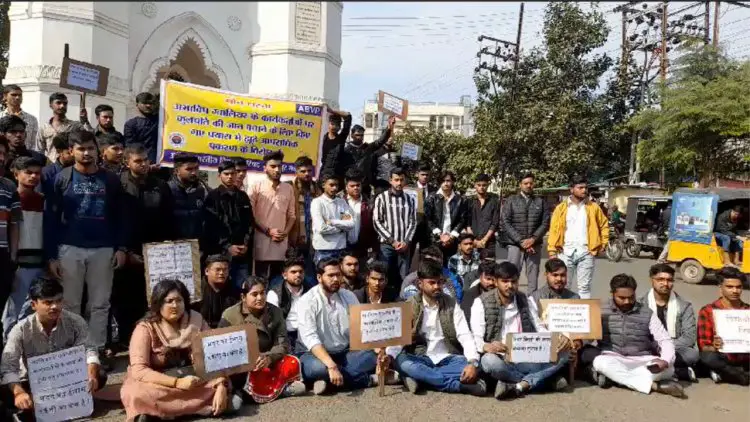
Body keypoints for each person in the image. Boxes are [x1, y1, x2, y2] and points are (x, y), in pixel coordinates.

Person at [44, 129, 127, 361]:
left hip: (103, 248)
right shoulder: (61, 178)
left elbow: (121, 217)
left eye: (91, 148)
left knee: (100, 304)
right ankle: (71, 353)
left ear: (97, 149)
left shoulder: (110, 180)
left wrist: (121, 248)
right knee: (70, 304)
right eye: (81, 148)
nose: (87, 152)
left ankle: (95, 353)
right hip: (70, 248)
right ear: (71, 151)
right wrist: (52, 256)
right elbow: (50, 219)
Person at [120, 279, 241, 421]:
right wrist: (177, 383)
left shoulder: (197, 320)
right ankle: (197, 408)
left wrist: (221, 385)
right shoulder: (145, 328)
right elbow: (139, 370)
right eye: (169, 301)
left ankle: (159, 413)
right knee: (136, 393)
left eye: (179, 300)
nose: (175, 305)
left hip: (194, 380)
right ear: (158, 303)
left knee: (227, 393)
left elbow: (215, 358)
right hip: (159, 382)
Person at [0, 278, 107, 422]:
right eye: (48, 302)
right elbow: (8, 366)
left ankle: (76, 400)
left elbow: (89, 350)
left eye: (59, 300)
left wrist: (91, 375)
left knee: (100, 375)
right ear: (33, 305)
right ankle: (28, 404)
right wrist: (19, 393)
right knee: (5, 391)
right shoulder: (20, 329)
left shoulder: (75, 321)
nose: (55, 306)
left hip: (68, 380)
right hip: (32, 382)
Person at [470, 261, 571, 399]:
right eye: (505, 281)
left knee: (566, 352)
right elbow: (476, 337)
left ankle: (517, 385)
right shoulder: (481, 302)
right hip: (501, 357)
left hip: (526, 354)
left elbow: (539, 327)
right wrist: (487, 346)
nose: (510, 286)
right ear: (496, 281)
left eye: (513, 281)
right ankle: (541, 381)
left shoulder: (525, 299)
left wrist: (558, 338)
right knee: (488, 362)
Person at [385, 259, 485, 396]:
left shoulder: (451, 303)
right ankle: (456, 386)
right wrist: (389, 356)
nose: (437, 286)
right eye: (431, 283)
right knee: (403, 363)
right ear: (420, 284)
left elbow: (464, 335)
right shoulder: (410, 305)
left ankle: (421, 378)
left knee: (478, 366)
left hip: (449, 358)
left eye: (440, 282)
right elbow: (399, 337)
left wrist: (472, 363)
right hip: (420, 357)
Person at [297, 259, 391, 395]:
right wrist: (331, 366)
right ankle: (369, 380)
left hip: (344, 353)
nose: (336, 279)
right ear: (319, 277)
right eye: (330, 275)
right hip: (314, 355)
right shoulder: (307, 301)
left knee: (375, 357)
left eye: (338, 275)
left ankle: (326, 383)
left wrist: (378, 349)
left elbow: (362, 327)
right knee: (320, 369)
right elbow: (311, 339)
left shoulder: (348, 296)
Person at [116, 144, 175, 348]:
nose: (143, 165)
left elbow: (169, 219)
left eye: (146, 160)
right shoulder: (118, 184)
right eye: (138, 161)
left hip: (156, 252)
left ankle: (154, 339)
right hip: (127, 251)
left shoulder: (160, 185)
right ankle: (127, 340)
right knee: (126, 297)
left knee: (154, 298)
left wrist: (165, 249)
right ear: (127, 162)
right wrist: (125, 250)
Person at [590, 274, 685, 397]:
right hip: (613, 358)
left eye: (631, 297)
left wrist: (665, 360)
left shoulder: (647, 313)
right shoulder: (600, 310)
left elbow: (664, 339)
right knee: (599, 362)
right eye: (622, 298)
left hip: (643, 360)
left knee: (669, 368)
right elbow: (588, 337)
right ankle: (654, 386)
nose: (627, 301)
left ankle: (617, 379)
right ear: (612, 293)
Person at [218, 277, 306, 403]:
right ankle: (274, 390)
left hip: (269, 359)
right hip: (244, 365)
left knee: (292, 362)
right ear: (243, 297)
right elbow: (220, 348)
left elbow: (283, 344)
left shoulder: (276, 312)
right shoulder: (230, 315)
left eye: (262, 293)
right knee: (240, 373)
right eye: (254, 294)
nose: (260, 298)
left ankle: (261, 392)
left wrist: (268, 357)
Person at [2, 157, 44, 339]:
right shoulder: (10, 198)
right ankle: (9, 344)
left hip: (40, 261)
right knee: (13, 308)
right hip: (18, 263)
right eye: (28, 172)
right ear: (16, 174)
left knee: (32, 308)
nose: (33, 176)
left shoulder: (43, 200)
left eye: (37, 173)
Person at [547, 175, 609, 299]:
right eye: (580, 187)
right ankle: (565, 316)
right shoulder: (561, 209)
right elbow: (553, 230)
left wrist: (603, 243)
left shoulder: (593, 207)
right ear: (571, 189)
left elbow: (604, 225)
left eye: (585, 188)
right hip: (565, 252)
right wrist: (552, 251)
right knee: (563, 286)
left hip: (586, 252)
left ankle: (582, 317)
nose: (584, 190)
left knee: (584, 287)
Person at [640, 263, 698, 382]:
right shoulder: (640, 303)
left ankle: (654, 370)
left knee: (693, 355)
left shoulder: (684, 306)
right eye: (660, 279)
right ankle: (677, 372)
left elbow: (689, 337)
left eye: (669, 280)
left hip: (675, 349)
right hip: (647, 348)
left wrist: (667, 348)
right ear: (652, 280)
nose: (665, 284)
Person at [202, 160, 254, 288]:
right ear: (219, 176)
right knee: (221, 288)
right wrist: (227, 246)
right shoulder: (212, 197)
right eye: (226, 174)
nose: (230, 177)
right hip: (220, 254)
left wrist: (245, 244)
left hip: (242, 254)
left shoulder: (243, 196)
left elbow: (249, 223)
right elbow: (211, 226)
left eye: (233, 173)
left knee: (242, 289)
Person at [697, 267, 749, 386]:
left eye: (738, 287)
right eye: (729, 287)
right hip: (723, 357)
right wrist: (714, 346)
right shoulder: (708, 310)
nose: (735, 291)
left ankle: (726, 374)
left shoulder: (748, 311)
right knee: (707, 357)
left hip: (745, 357)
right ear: (720, 288)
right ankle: (740, 376)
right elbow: (704, 346)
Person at [248, 150, 296, 280]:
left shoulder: (288, 188)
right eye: (273, 166)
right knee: (260, 281)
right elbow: (250, 216)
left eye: (279, 166)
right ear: (265, 168)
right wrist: (268, 231)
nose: (277, 170)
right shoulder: (256, 186)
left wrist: (285, 233)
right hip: (262, 243)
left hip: (281, 244)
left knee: (278, 282)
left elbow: (292, 215)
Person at [501, 173, 550, 293]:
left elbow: (545, 222)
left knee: (533, 278)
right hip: (515, 244)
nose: (528, 186)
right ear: (520, 185)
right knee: (511, 276)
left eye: (531, 183)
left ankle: (531, 306)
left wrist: (533, 239)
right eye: (525, 183)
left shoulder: (540, 202)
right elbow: (505, 222)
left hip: (534, 245)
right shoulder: (511, 201)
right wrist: (520, 241)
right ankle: (512, 303)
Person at [373, 167, 417, 297]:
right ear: (390, 180)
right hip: (387, 246)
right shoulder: (381, 198)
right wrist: (392, 241)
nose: (399, 183)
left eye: (401, 180)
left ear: (405, 181)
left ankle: (402, 304)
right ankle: (385, 303)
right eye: (396, 180)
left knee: (404, 279)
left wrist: (406, 242)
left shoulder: (410, 199)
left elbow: (413, 222)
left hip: (404, 246)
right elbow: (377, 222)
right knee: (384, 277)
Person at [340, 116, 395, 196]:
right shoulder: (346, 150)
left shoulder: (367, 148)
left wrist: (389, 128)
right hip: (351, 187)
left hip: (364, 187)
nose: (360, 137)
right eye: (357, 135)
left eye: (362, 135)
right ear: (352, 135)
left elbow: (379, 142)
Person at [267, 255, 311, 351]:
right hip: (284, 336)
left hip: (306, 334)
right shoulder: (274, 293)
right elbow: (273, 323)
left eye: (300, 272)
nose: (298, 275)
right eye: (293, 272)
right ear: (284, 275)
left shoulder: (311, 291)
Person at [426, 171, 469, 268]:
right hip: (435, 238)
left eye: (448, 180)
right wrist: (439, 235)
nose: (445, 183)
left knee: (451, 267)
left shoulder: (460, 199)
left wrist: (452, 236)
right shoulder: (432, 197)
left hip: (452, 239)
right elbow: (428, 219)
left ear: (453, 182)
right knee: (435, 267)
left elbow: (462, 219)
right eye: (443, 181)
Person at [310, 172, 354, 264]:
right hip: (324, 249)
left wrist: (332, 222)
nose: (334, 188)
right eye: (331, 185)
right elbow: (321, 228)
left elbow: (351, 224)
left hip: (341, 248)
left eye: (336, 185)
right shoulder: (317, 202)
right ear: (323, 185)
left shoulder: (342, 202)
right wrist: (341, 228)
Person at [36, 92, 93, 163]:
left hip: (69, 165)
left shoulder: (75, 125)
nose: (62, 106)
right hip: (51, 166)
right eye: (58, 103)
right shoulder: (44, 128)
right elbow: (39, 150)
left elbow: (91, 137)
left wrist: (85, 121)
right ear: (51, 105)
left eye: (65, 103)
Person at [287, 155, 319, 272]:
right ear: (296, 171)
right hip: (294, 238)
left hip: (314, 239)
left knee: (312, 271)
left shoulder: (318, 188)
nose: (307, 174)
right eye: (303, 171)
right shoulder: (289, 187)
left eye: (309, 171)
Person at [0, 136, 20, 321]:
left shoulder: (9, 187)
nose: (1, 157)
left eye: (3, 154)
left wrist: (12, 257)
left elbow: (14, 224)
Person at [167, 153, 207, 241]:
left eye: (196, 168)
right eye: (189, 169)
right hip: (172, 246)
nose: (194, 172)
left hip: (196, 246)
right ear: (177, 171)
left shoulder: (202, 191)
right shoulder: (166, 190)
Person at [341, 168, 378, 264]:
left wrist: (373, 249)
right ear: (346, 187)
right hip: (342, 249)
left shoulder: (369, 203)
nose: (355, 188)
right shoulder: (339, 202)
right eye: (352, 186)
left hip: (362, 250)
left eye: (358, 185)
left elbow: (373, 229)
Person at [194, 254, 241, 329]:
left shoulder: (236, 292)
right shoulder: (196, 292)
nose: (222, 273)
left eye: (225, 269)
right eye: (218, 269)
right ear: (206, 271)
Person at [0, 115, 47, 184]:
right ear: (3, 134)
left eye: (21, 131)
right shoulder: (2, 159)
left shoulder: (38, 158)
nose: (18, 135)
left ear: (26, 134)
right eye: (13, 131)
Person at [467, 173, 500, 254]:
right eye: (479, 185)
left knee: (489, 265)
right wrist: (473, 240)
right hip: (471, 242)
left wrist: (484, 240)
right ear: (475, 185)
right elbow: (467, 223)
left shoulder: (494, 201)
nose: (481, 187)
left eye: (484, 185)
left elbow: (495, 223)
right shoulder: (469, 201)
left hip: (490, 242)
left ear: (488, 185)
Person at [410, 163, 437, 261]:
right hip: (413, 228)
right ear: (417, 174)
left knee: (426, 257)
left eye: (427, 175)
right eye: (422, 174)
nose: (425, 177)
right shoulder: (410, 189)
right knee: (408, 256)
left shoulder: (434, 190)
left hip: (428, 230)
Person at [123, 92, 159, 165]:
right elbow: (130, 147)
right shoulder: (131, 124)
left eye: (151, 103)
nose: (148, 105)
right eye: (144, 103)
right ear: (137, 104)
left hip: (160, 164)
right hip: (141, 164)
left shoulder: (160, 121)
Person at [1, 85, 38, 152]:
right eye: (14, 95)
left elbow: (33, 144)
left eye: (20, 95)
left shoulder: (32, 119)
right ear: (5, 96)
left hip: (25, 157)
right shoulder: (1, 117)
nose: (17, 97)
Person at [319, 109, 352, 179]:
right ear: (328, 124)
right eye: (332, 124)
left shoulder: (341, 138)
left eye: (337, 125)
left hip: (337, 175)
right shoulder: (322, 138)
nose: (335, 127)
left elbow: (348, 116)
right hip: (324, 174)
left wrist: (331, 110)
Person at [40, 132, 74, 198]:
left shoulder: (81, 171)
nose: (73, 155)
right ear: (59, 152)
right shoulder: (46, 173)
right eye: (69, 153)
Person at [371, 126, 402, 196]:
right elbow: (372, 169)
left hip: (394, 185)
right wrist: (375, 183)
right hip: (381, 186)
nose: (390, 139)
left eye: (391, 136)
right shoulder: (376, 152)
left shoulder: (396, 151)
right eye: (388, 136)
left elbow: (400, 166)